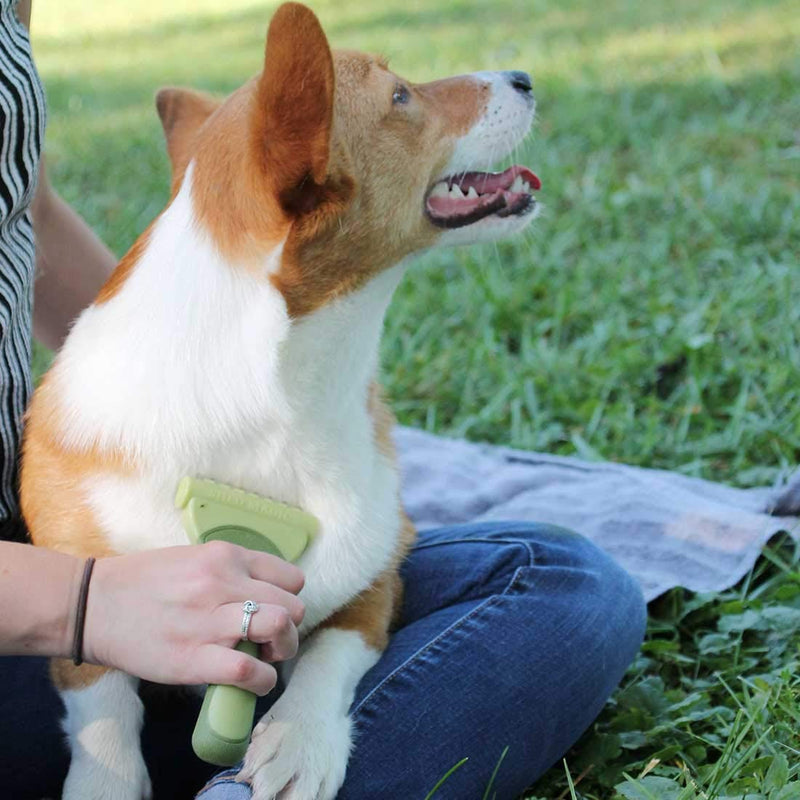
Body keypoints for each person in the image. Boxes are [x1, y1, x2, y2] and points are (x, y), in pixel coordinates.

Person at [0, 2, 647, 798]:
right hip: (38, 632)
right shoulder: (85, 508)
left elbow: (20, 203)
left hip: (142, 604)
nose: (463, 91)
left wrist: (184, 351)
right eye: (400, 99)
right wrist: (87, 605)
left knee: (565, 583)